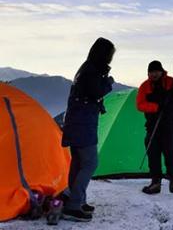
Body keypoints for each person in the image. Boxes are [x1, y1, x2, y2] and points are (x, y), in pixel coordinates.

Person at [61, 37, 115, 222]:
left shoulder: (87, 68)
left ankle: (77, 200)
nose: (111, 59)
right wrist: (109, 82)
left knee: (78, 163)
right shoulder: (91, 71)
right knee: (90, 163)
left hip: (77, 122)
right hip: (82, 123)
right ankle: (74, 205)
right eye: (110, 55)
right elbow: (96, 92)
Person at [136, 60, 173, 195]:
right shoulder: (145, 86)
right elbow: (140, 105)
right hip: (152, 124)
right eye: (151, 72)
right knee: (153, 153)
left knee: (170, 152)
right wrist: (156, 107)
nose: (153, 74)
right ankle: (156, 182)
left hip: (169, 124)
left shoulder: (171, 82)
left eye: (156, 71)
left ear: (161, 71)